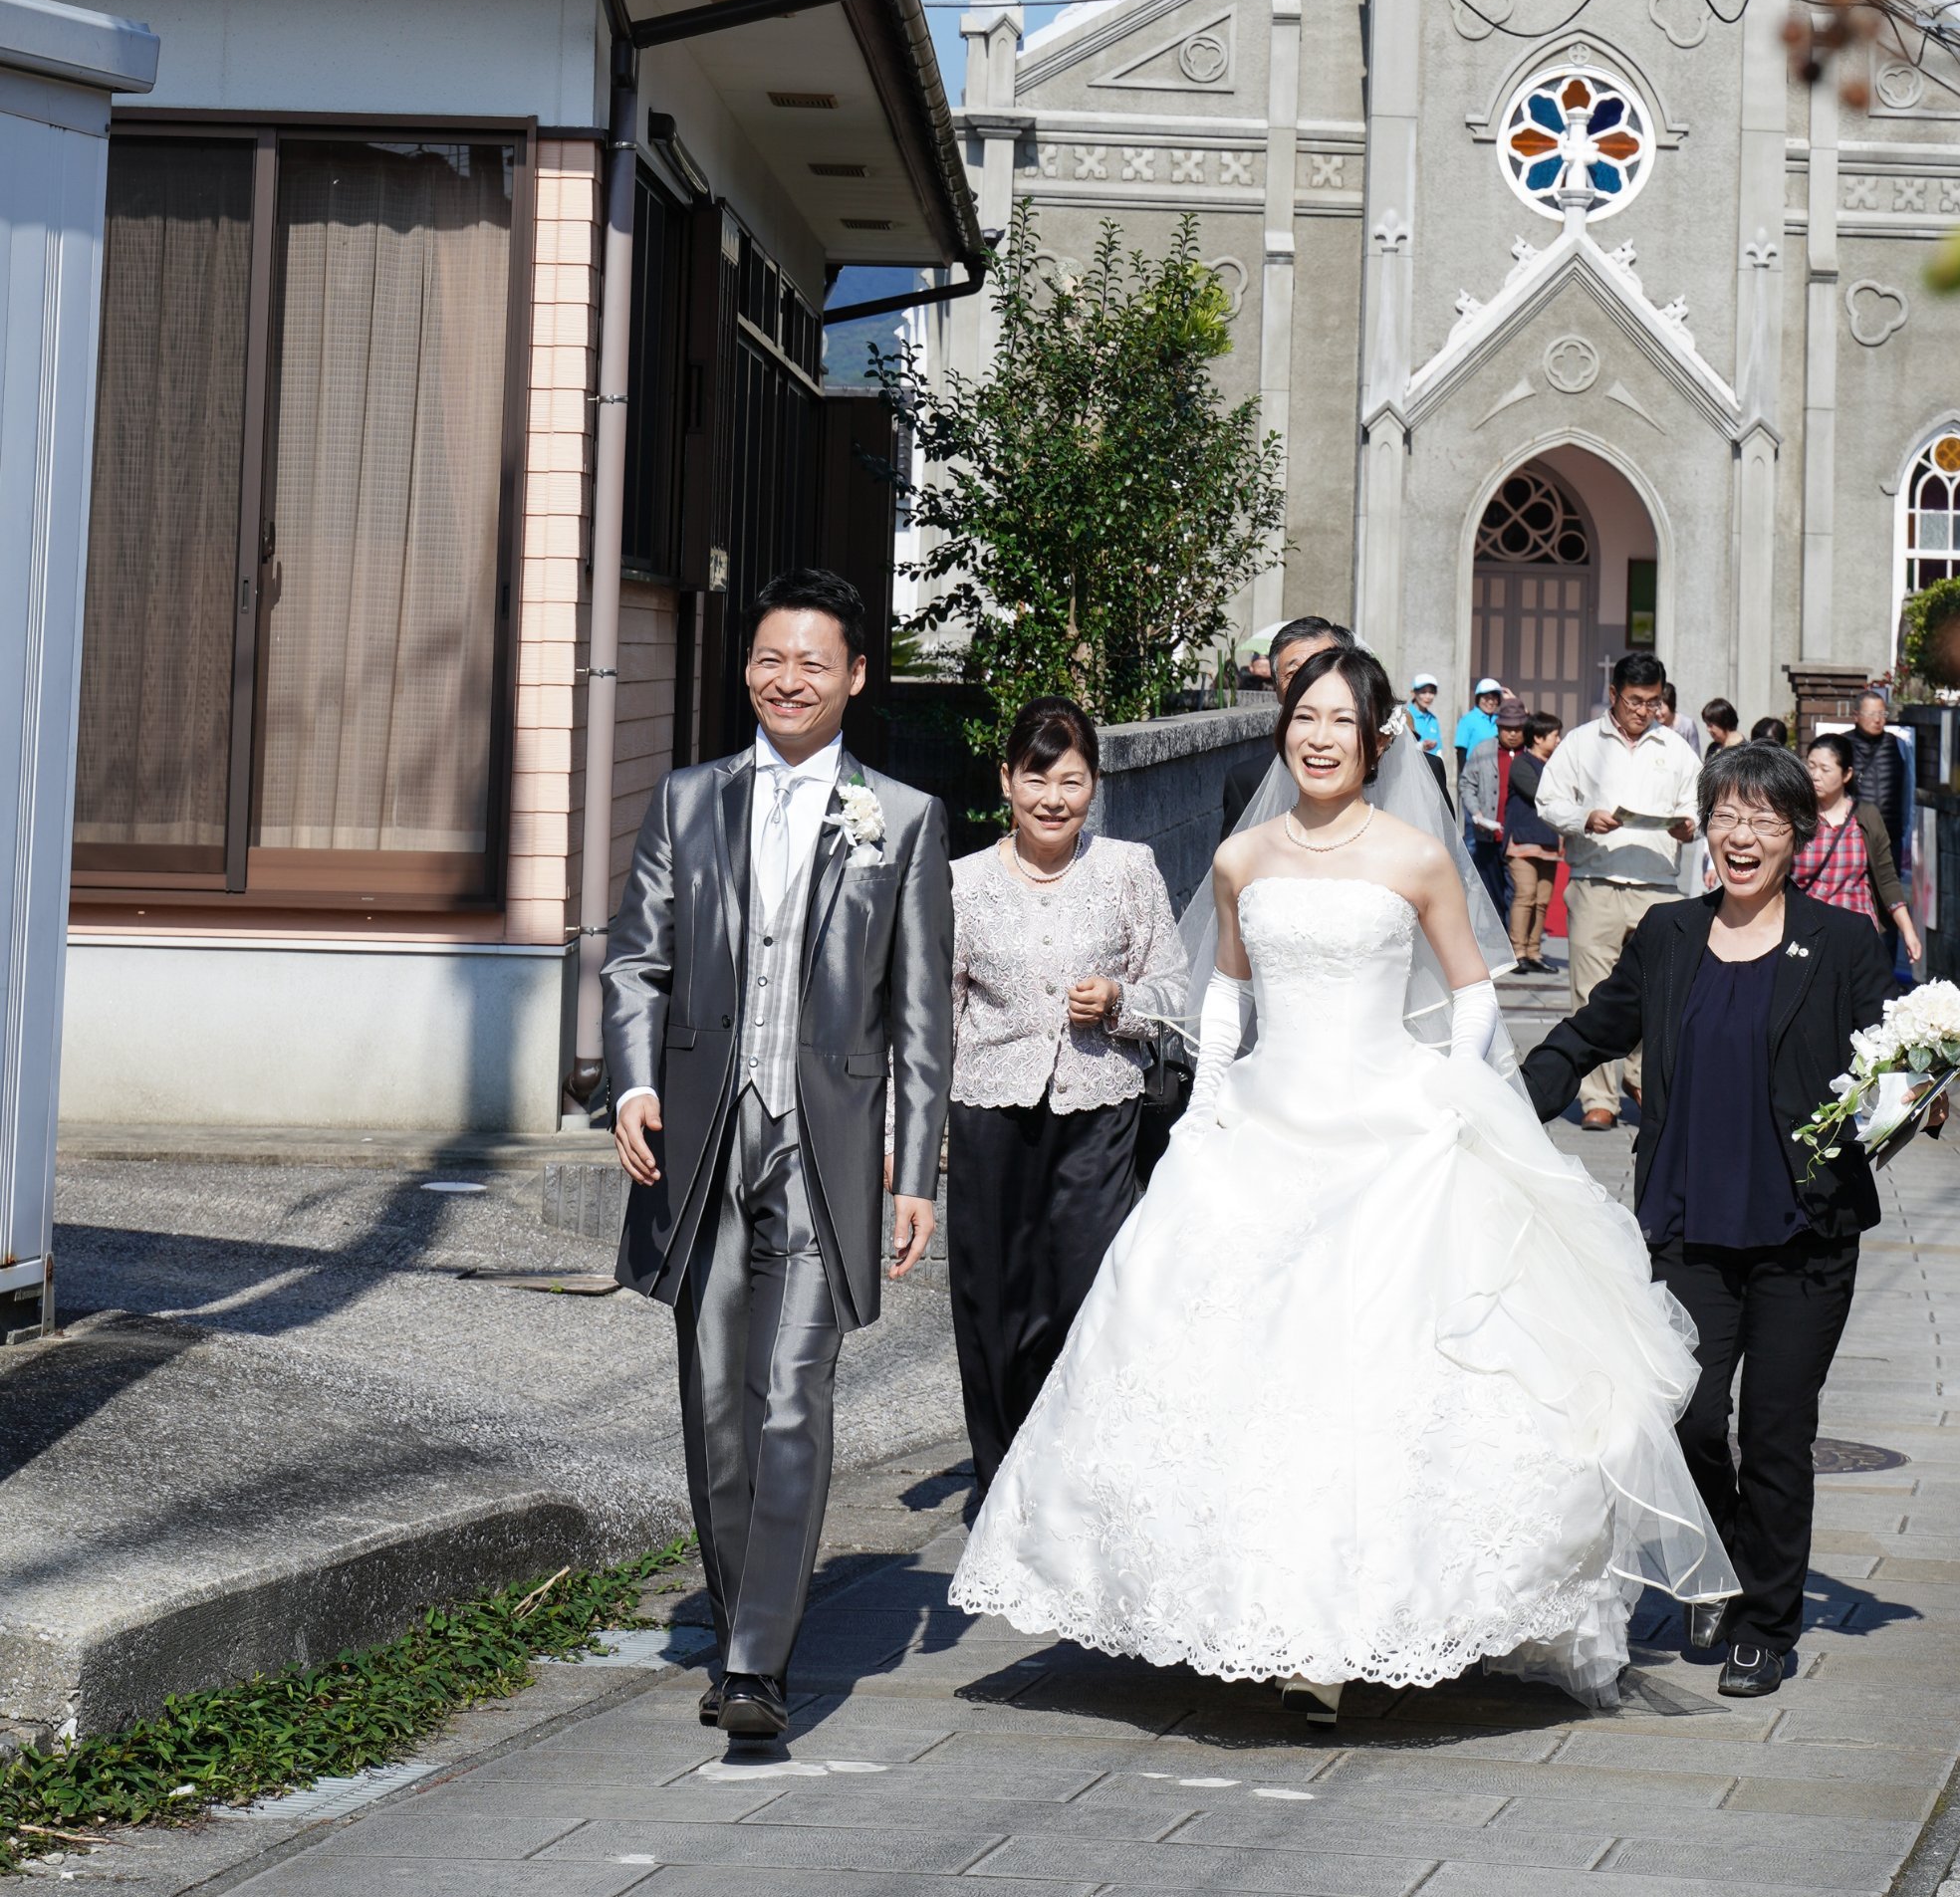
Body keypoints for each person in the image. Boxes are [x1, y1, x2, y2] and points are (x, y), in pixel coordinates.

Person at [953, 644, 1734, 1711]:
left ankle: (1354, 1629)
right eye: (1302, 716)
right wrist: (1210, 1105)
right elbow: (1226, 992)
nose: (1317, 737)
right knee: (1238, 1379)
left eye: (1339, 720)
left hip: (1387, 1125)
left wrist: (1460, 1097)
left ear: (1374, 739)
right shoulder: (1242, 859)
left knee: (1378, 1381)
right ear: (1285, 730)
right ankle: (1264, 1620)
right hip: (1263, 1125)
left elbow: (1469, 991)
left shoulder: (1414, 856)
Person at [604, 566, 949, 1746]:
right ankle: (742, 1604)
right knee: (712, 1395)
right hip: (697, 1135)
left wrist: (915, 1174)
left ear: (855, 675)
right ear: (745, 667)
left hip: (825, 1142)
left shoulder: (898, 819)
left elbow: (919, 1021)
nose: (785, 678)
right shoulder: (686, 800)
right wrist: (634, 1081)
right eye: (768, 657)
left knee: (791, 1388)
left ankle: (757, 1659)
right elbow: (634, 962)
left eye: (813, 660)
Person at [1522, 743, 1892, 1698]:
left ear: (1797, 837)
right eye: (1727, 815)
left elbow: (1886, 1061)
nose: (1743, 836)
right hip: (1689, 1222)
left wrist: (1921, 1090)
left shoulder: (1844, 944)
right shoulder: (1670, 936)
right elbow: (1599, 1025)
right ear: (1703, 827)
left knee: (1775, 1430)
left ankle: (1766, 1622)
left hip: (1803, 1231)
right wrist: (1525, 1088)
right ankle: (1725, 1560)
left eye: (1766, 820)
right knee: (1686, 1418)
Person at [946, 696, 1187, 1504]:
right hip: (988, 1111)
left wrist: (1118, 998)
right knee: (994, 1297)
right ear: (1007, 781)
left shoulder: (1128, 868)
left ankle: (1075, 1475)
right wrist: (904, 1138)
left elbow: (1176, 991)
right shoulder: (960, 884)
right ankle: (1002, 1481)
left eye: (1073, 781)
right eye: (1037, 778)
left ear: (1095, 787)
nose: (1054, 798)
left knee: (1086, 1289)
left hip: (1100, 1110)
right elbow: (932, 1018)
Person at [1536, 649, 1703, 1127]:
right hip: (1596, 881)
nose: (1643, 711)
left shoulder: (1675, 748)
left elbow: (1698, 802)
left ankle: (1645, 1079)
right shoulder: (1582, 742)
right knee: (1592, 994)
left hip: (1658, 885)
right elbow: (1549, 801)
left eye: (1653, 703)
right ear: (1613, 695)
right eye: (1635, 701)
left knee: (1664, 989)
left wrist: (1689, 825)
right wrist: (1584, 818)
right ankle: (1598, 1099)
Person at [1795, 733, 1924, 979]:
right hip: (1805, 931)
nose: (1815, 775)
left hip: (1855, 934)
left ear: (1847, 774)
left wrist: (1908, 931)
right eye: (1810, 766)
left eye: (1825, 768)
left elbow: (1887, 878)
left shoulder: (1866, 817)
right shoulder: (1795, 817)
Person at [1221, 614, 1346, 837]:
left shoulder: (1406, 774)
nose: (1309, 682)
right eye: (1294, 673)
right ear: (1277, 688)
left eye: (1322, 668)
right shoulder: (1248, 781)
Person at [1503, 711, 1562, 969]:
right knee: (1525, 896)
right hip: (1523, 841)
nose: (1559, 740)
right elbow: (1541, 794)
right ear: (1538, 738)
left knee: (1542, 901)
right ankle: (1517, 953)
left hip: (1548, 841)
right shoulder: (1522, 764)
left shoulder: (1556, 766)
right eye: (1555, 735)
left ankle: (1534, 952)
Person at [1453, 679, 1512, 919]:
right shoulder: (1469, 720)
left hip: (1497, 786)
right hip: (1478, 785)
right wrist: (1468, 792)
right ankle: (1471, 892)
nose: (1490, 701)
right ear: (1477, 698)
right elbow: (1461, 753)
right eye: (1486, 696)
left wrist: (1510, 699)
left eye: (1495, 697)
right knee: (1474, 843)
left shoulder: (1498, 721)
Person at [1845, 687, 1917, 875]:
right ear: (1856, 715)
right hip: (1852, 837)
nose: (1878, 719)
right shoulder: (1842, 745)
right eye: (1871, 714)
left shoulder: (1898, 745)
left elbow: (1908, 789)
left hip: (1890, 836)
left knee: (1888, 893)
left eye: (1882, 714)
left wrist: (1904, 829)